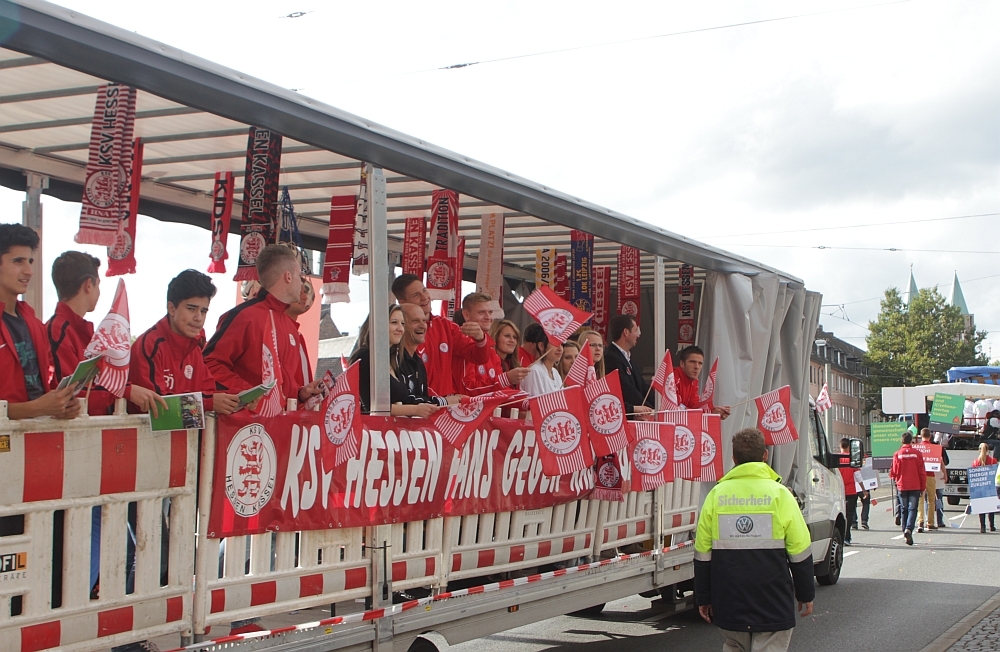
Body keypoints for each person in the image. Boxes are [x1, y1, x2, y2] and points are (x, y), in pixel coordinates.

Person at [694, 427, 814, 652]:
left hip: (729, 601)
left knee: (734, 645)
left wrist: (703, 597)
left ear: (734, 458)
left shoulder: (716, 495)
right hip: (772, 601)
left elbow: (702, 553)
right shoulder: (780, 495)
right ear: (765, 455)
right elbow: (800, 550)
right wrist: (805, 593)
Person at [45, 251, 163, 416]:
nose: (99, 293)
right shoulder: (58, 330)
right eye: (98, 285)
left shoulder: (78, 330)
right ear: (88, 285)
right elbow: (70, 393)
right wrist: (125, 390)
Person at [204, 245, 321, 407]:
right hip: (244, 420)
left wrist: (300, 393)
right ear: (288, 276)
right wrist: (248, 394)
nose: (302, 286)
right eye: (299, 276)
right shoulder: (244, 316)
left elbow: (282, 387)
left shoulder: (290, 326)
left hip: (278, 420)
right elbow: (209, 363)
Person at [130, 270, 239, 415]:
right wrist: (207, 403)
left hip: (185, 430)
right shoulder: (150, 345)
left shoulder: (195, 348)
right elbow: (158, 408)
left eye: (203, 311)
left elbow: (209, 392)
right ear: (171, 308)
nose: (198, 318)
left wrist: (237, 399)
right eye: (191, 309)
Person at [0, 224, 79, 419]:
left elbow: (41, 392)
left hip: (37, 433)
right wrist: (37, 409)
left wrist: (60, 406)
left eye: (30, 261)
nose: (29, 271)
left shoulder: (34, 323)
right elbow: (37, 406)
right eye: (18, 261)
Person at [390, 274, 491, 396]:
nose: (424, 297)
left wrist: (480, 339)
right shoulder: (399, 333)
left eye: (424, 290)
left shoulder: (446, 326)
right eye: (416, 295)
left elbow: (479, 358)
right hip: (419, 404)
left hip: (444, 404)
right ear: (402, 302)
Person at [351, 305, 440, 417]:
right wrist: (415, 410)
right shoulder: (365, 357)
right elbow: (373, 407)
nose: (400, 328)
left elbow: (404, 399)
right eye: (394, 322)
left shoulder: (393, 360)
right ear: (378, 324)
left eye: (402, 324)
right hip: (374, 427)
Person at [397, 303, 459, 406]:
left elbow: (422, 398)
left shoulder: (417, 361)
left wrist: (450, 399)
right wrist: (444, 401)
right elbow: (405, 401)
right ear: (401, 326)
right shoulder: (394, 359)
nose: (422, 325)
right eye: (415, 321)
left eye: (424, 321)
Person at [602, 314, 654, 420]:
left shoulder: (628, 357)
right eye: (635, 330)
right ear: (626, 332)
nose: (638, 335)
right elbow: (627, 390)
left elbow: (643, 387)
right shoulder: (610, 357)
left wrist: (658, 404)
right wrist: (649, 409)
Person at [674, 345, 731, 420]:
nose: (696, 367)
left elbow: (694, 406)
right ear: (682, 364)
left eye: (700, 363)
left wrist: (713, 411)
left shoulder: (693, 380)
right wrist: (708, 413)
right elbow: (676, 408)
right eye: (692, 362)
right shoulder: (673, 378)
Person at [890, 432, 926, 546]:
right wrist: (923, 487)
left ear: (902, 441)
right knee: (912, 509)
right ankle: (909, 529)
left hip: (902, 485)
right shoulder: (917, 454)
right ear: (911, 441)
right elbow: (922, 472)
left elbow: (894, 471)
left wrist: (893, 477)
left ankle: (904, 530)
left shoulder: (897, 454)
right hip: (915, 485)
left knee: (903, 509)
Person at [519, 323, 563, 397]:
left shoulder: (555, 372)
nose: (560, 348)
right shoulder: (534, 371)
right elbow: (536, 402)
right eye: (554, 343)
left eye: (561, 344)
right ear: (541, 346)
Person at [286, 277, 315, 384]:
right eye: (299, 293)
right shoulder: (276, 333)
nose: (305, 297)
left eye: (305, 292)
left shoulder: (298, 336)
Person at [972, 443, 998, 533]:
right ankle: (992, 526)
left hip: (980, 488)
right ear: (988, 450)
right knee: (991, 507)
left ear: (979, 450)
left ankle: (982, 527)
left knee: (981, 507)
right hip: (990, 487)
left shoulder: (975, 462)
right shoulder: (993, 461)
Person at [838, 438, 859, 546]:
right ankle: (847, 537)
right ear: (849, 447)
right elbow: (858, 475)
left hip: (839, 492)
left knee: (839, 515)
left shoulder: (836, 459)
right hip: (850, 491)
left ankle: (841, 537)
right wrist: (864, 490)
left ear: (840, 446)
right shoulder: (852, 458)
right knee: (849, 515)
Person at [917, 428, 938, 532]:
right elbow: (939, 461)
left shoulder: (918, 449)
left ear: (921, 436)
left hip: (919, 476)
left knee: (920, 499)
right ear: (930, 436)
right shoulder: (934, 448)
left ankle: (920, 521)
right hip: (930, 475)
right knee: (931, 500)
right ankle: (930, 523)